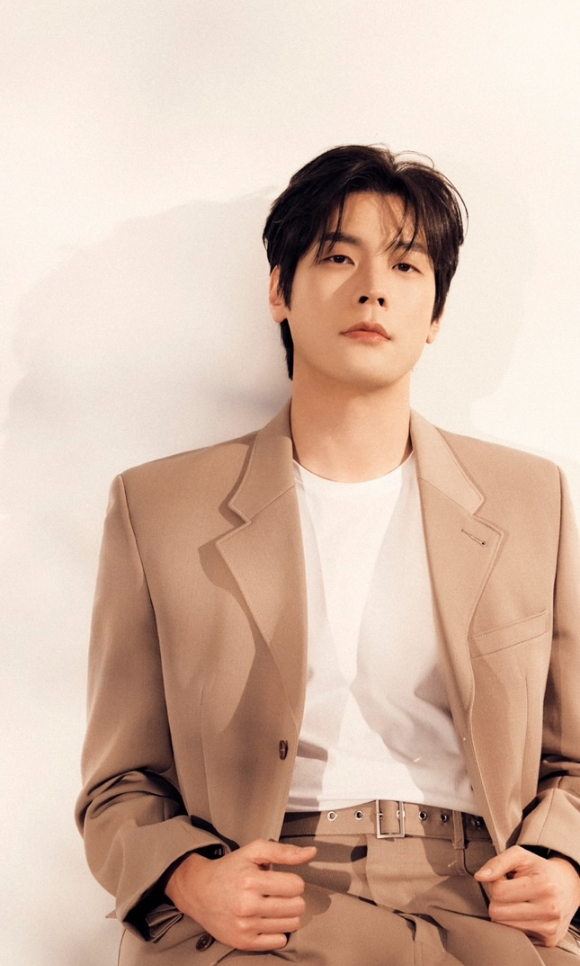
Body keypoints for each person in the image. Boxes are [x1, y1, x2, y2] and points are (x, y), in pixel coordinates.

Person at [76, 145, 580, 965]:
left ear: (436, 314)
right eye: (338, 257)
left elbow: (573, 759)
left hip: (483, 899)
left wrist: (564, 865)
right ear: (280, 289)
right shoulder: (157, 507)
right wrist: (192, 880)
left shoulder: (531, 499)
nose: (372, 287)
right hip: (263, 900)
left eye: (406, 265)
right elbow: (117, 784)